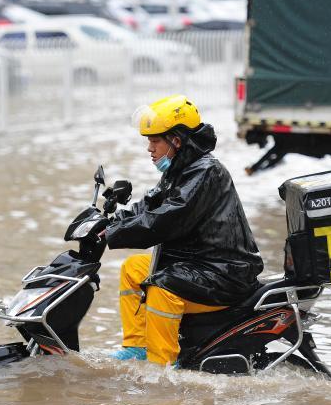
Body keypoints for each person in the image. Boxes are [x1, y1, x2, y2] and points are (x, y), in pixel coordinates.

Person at [102, 94, 264, 365]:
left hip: (225, 271)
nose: (149, 148)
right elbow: (150, 205)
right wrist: (111, 222)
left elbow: (168, 219)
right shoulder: (181, 168)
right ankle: (138, 346)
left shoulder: (206, 171)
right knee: (133, 270)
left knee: (161, 287)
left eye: (155, 141)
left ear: (176, 141)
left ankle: (162, 367)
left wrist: (114, 234)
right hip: (199, 263)